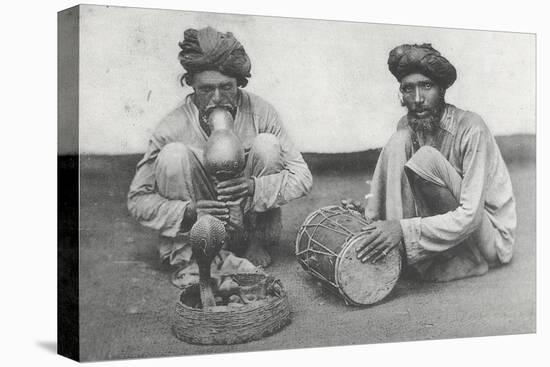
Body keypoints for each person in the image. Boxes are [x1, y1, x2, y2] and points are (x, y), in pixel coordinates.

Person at [127, 26, 312, 271]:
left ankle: (256, 242)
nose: (216, 98)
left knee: (267, 144)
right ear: (191, 84)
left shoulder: (261, 111)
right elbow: (138, 200)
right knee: (173, 154)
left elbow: (303, 177)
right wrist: (189, 211)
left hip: (246, 218)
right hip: (199, 222)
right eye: (206, 89)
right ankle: (190, 254)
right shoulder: (172, 125)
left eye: (226, 87)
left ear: (239, 83)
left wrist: (253, 188)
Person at [344, 43, 516, 282]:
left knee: (426, 159)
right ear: (401, 94)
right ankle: (394, 252)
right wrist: (371, 214)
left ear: (442, 90)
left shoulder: (471, 127)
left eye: (426, 86)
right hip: (451, 229)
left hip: (488, 239)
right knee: (399, 139)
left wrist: (402, 230)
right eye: (408, 89)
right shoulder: (407, 126)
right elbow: (408, 191)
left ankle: (470, 261)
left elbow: (471, 216)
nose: (417, 99)